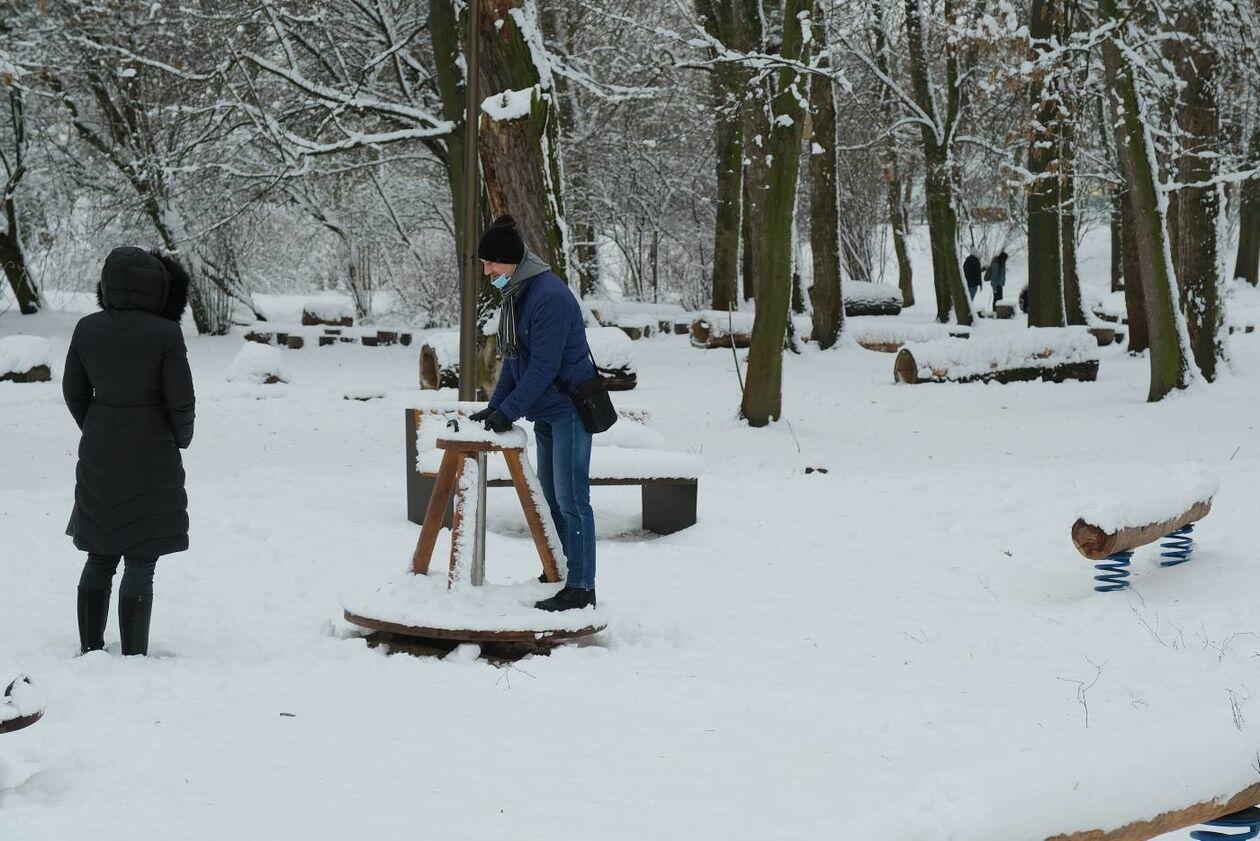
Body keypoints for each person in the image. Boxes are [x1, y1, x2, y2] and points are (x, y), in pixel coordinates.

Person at [63, 247, 195, 656]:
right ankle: (134, 654)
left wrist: (96, 425)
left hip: (99, 448)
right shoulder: (165, 333)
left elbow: (73, 390)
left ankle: (90, 648)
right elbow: (181, 399)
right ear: (157, 286)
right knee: (141, 556)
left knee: (99, 553)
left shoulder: (87, 328)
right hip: (152, 450)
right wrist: (180, 437)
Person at [469, 215, 599, 612]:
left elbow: (543, 366)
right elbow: (514, 360)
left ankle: (581, 587)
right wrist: (495, 407)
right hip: (546, 412)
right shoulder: (517, 293)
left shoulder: (548, 297)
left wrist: (509, 411)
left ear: (510, 260)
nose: (487, 272)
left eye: (491, 263)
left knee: (573, 500)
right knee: (552, 500)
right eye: (484, 264)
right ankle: (559, 569)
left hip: (570, 410)